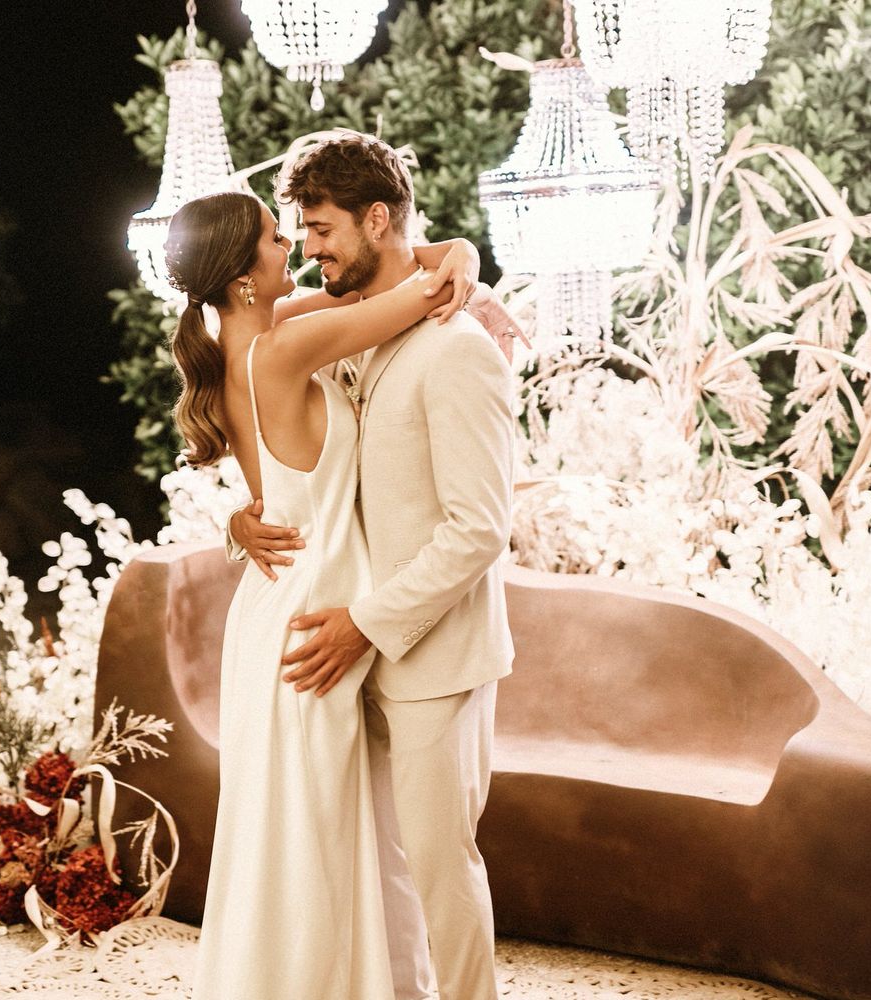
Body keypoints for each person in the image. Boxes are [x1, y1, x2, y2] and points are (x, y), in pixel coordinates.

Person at [163, 188, 482, 1000]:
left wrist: (466, 258)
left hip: (285, 609)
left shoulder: (263, 337)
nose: (296, 251)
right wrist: (463, 265)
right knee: (310, 846)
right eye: (277, 240)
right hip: (309, 622)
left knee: (314, 839)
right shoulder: (283, 348)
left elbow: (436, 261)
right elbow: (422, 287)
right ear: (241, 279)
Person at [229, 134, 516, 1000]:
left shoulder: (460, 346)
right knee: (376, 874)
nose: (309, 249)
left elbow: (478, 530)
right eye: (301, 234)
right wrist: (246, 518)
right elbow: (307, 471)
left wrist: (367, 623)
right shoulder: (340, 322)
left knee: (439, 869)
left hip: (428, 658)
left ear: (378, 218)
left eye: (319, 230)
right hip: (345, 655)